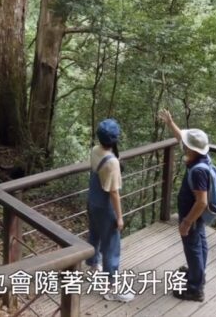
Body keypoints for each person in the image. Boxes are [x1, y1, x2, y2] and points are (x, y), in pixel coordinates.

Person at [158, 108, 210, 302]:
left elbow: (202, 201)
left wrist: (187, 222)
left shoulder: (197, 171)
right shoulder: (202, 158)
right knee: (201, 244)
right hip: (197, 217)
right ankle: (198, 275)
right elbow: (183, 139)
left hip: (192, 215)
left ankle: (195, 288)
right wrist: (171, 123)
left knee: (193, 248)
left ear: (192, 149)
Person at [85, 118, 134, 303]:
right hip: (106, 207)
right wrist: (120, 218)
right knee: (111, 247)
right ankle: (111, 288)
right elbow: (114, 193)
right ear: (115, 139)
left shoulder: (94, 150)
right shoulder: (112, 162)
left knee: (95, 234)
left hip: (92, 200)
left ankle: (92, 265)